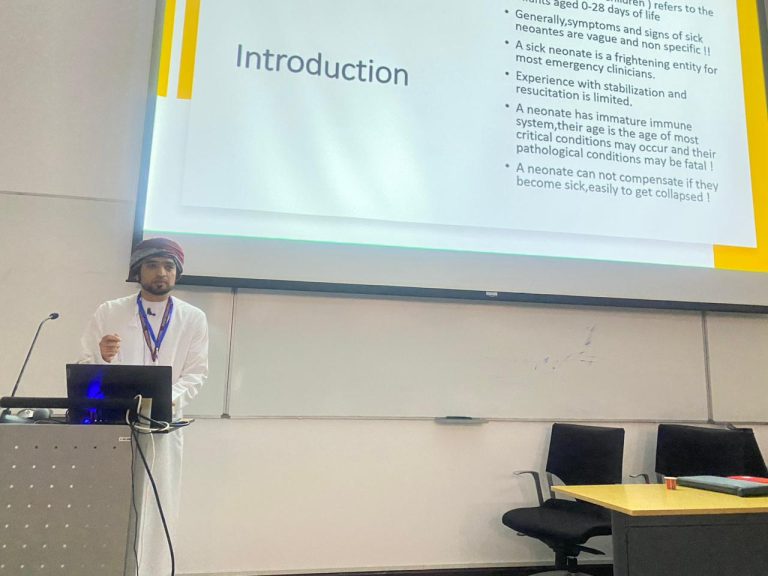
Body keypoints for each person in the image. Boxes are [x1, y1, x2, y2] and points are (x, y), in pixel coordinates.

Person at [79, 236, 208, 575]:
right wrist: (102, 357)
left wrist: (162, 400)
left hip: (162, 428)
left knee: (157, 505)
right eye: (152, 265)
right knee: (110, 503)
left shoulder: (193, 318)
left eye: (168, 266)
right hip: (113, 426)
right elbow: (86, 367)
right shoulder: (109, 311)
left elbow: (196, 374)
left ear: (177, 272)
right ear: (138, 270)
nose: (161, 273)